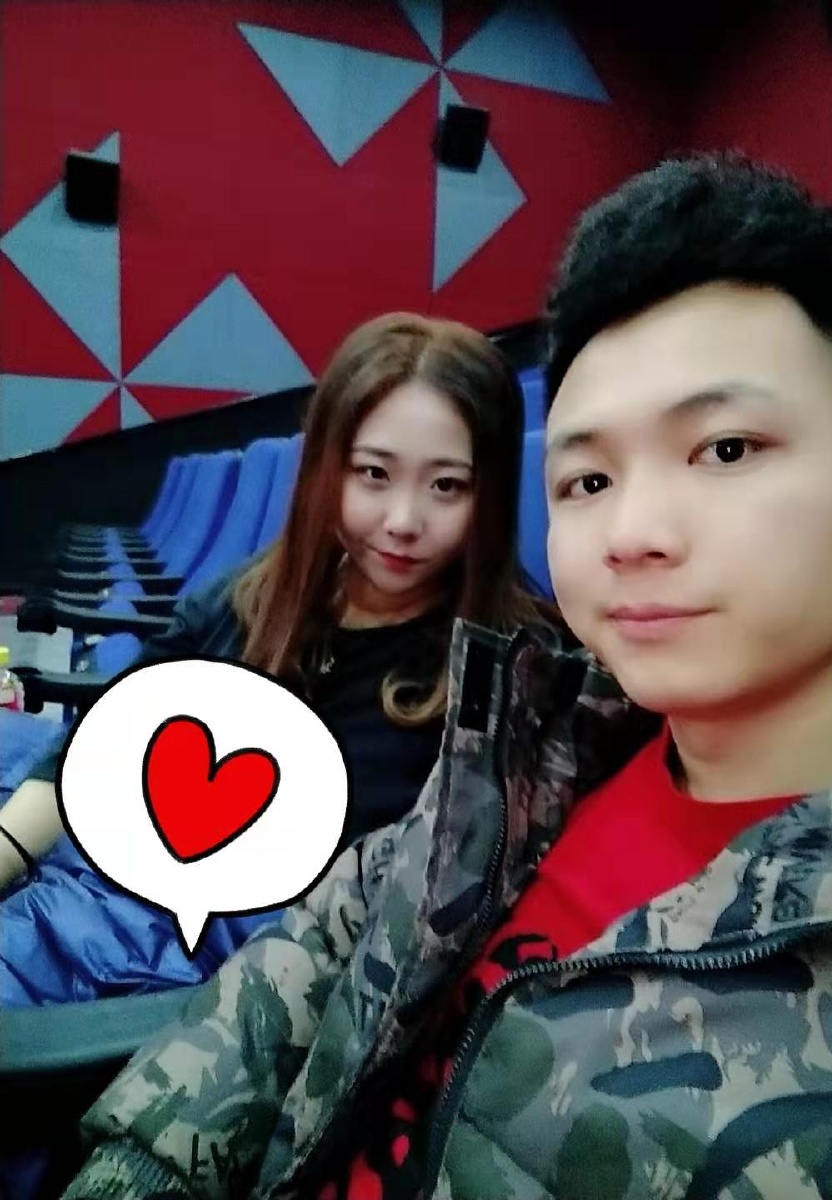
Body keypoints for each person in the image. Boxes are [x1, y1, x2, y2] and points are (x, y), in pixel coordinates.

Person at [60, 154, 832, 1200]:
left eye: (726, 449)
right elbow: (299, 967)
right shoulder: (529, 748)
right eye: (589, 479)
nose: (632, 531)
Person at [0, 312, 553, 1007]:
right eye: (373, 474)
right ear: (326, 468)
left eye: (447, 486)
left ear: (490, 494)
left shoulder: (502, 674)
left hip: (183, 965)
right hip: (118, 870)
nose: (403, 520)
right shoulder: (259, 594)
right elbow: (102, 736)